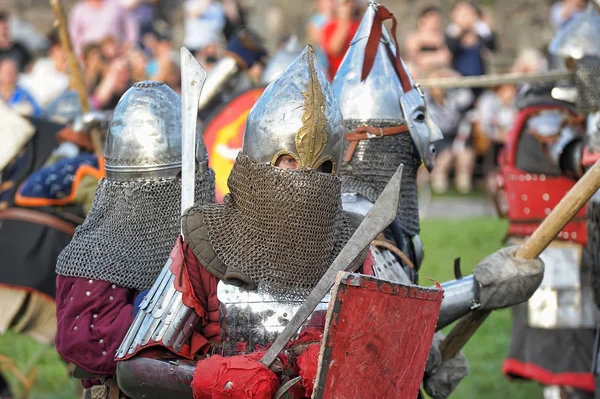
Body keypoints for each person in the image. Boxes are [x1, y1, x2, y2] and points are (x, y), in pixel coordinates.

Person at [113, 43, 545, 399]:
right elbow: (134, 369)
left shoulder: (352, 242)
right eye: (287, 162)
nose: (304, 181)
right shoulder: (204, 240)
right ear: (259, 161)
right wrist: (211, 378)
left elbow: (394, 324)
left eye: (320, 169)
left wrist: (476, 292)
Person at [54, 81, 216, 397]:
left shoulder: (214, 233)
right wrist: (164, 313)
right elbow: (85, 345)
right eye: (184, 179)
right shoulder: (97, 253)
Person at [445, 0, 496, 87]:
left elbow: (492, 46)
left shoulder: (481, 32)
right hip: (458, 83)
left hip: (480, 82)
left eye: (468, 13)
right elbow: (451, 49)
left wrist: (488, 27)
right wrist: (462, 31)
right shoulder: (451, 33)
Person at [69, 0, 139, 56]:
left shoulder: (115, 5)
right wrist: (79, 55)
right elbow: (74, 37)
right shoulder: (78, 11)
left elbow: (130, 26)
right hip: (91, 58)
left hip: (115, 54)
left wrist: (128, 45)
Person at [19, 29, 69, 108]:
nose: (64, 54)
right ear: (52, 51)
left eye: (66, 49)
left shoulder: (72, 74)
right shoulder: (42, 67)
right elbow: (42, 97)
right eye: (60, 49)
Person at [405, 5, 451, 79]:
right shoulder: (414, 37)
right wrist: (436, 57)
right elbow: (416, 58)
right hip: (419, 73)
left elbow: (446, 57)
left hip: (437, 72)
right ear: (423, 19)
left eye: (436, 19)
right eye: (431, 18)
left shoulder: (440, 38)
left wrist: (427, 59)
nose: (434, 21)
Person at [320, 0, 362, 78]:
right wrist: (344, 22)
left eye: (350, 3)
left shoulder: (360, 25)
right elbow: (334, 49)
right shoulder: (330, 27)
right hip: (339, 79)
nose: (349, 7)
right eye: (345, 4)